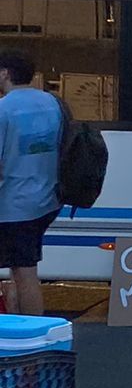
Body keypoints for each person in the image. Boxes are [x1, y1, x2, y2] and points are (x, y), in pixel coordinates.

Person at [0, 53, 61, 316]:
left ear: (5, 73)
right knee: (18, 269)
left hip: (15, 204)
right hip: (47, 200)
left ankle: (32, 336)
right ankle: (15, 323)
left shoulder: (4, 109)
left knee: (25, 274)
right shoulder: (52, 103)